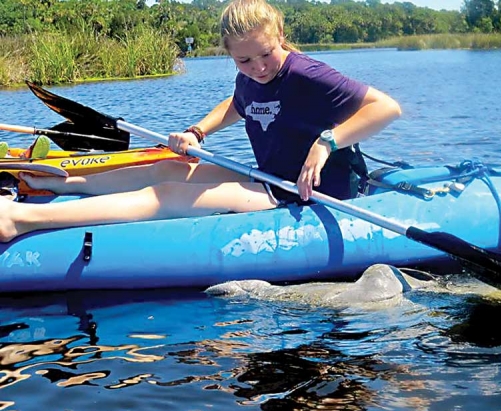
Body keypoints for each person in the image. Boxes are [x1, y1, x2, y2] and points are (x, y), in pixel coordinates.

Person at [0, 0, 401, 243]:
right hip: (268, 175)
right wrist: (198, 131)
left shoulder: (309, 74)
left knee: (170, 193)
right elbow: (239, 102)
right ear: (228, 52)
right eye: (243, 60)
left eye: (265, 55)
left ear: (280, 34)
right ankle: (55, 183)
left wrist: (327, 141)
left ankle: (21, 221)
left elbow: (385, 107)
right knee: (169, 166)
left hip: (305, 192)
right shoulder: (249, 74)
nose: (258, 68)